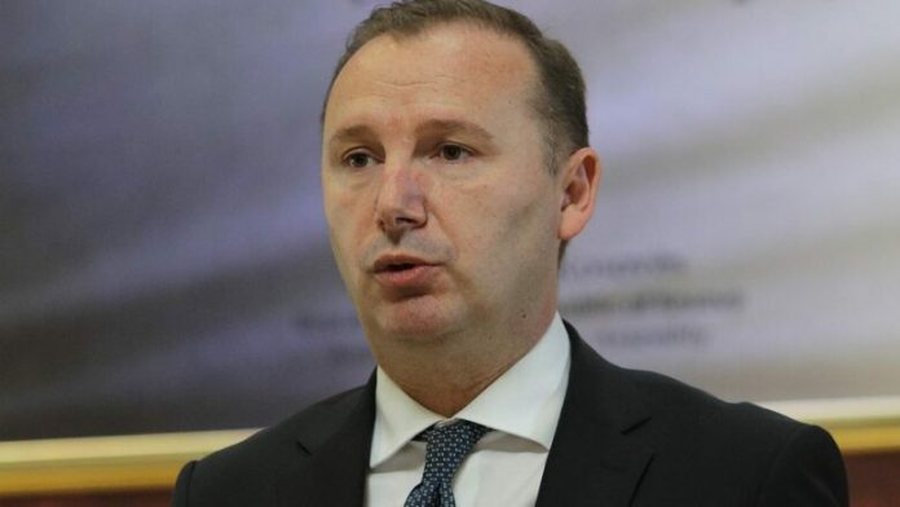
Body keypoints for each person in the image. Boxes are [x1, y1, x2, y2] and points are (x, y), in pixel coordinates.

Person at [173, 1, 848, 505]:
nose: (392, 203)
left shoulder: (744, 476)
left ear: (572, 192)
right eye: (358, 158)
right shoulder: (229, 492)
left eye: (450, 151)